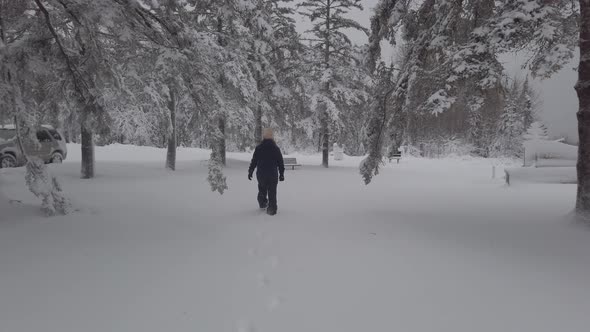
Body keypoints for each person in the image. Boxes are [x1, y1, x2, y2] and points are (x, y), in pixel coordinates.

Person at [248, 128, 285, 215]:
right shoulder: (276, 148)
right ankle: (272, 209)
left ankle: (262, 203)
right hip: (272, 174)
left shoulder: (259, 148)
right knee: (272, 192)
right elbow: (280, 162)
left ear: (263, 137)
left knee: (262, 189)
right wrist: (281, 174)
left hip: (261, 174)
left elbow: (254, 161)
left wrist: (251, 170)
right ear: (272, 137)